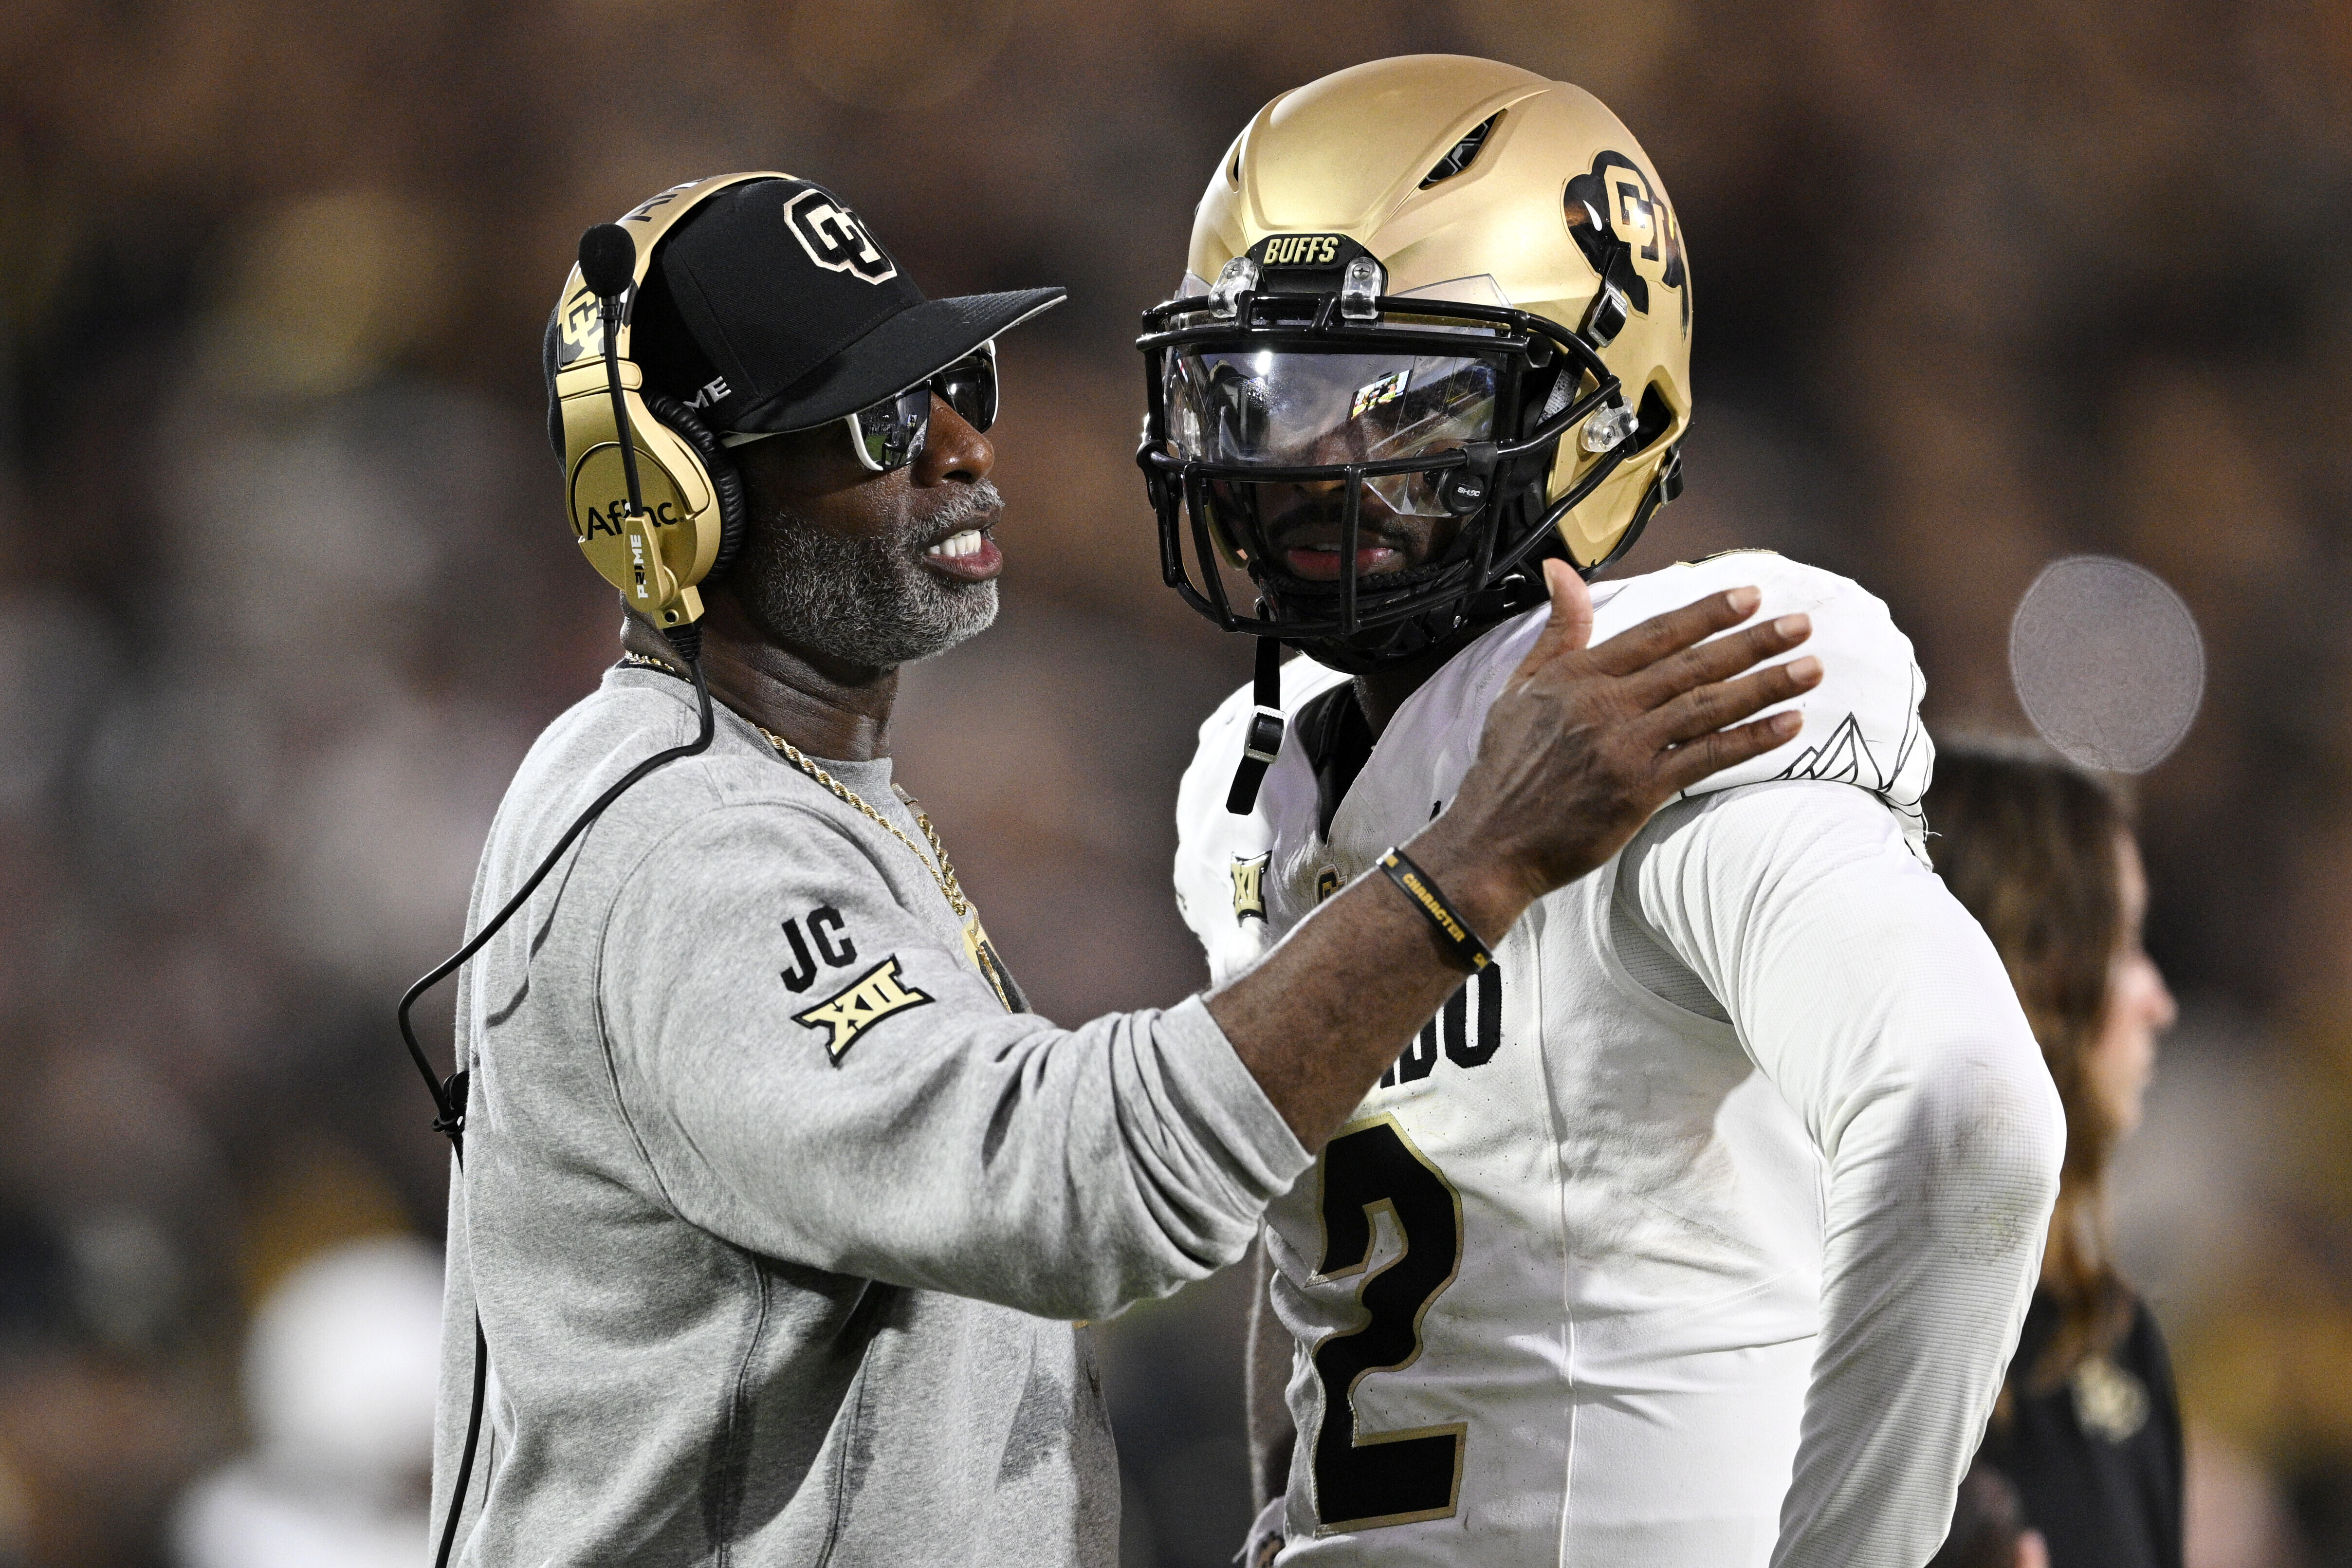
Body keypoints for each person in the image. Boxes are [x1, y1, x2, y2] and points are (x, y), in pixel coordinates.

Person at [426, 171, 1818, 1567]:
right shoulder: (693, 846)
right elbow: (1071, 1189)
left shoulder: (777, 785)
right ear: (670, 499)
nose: (963, 447)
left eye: (960, 381)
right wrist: (1474, 862)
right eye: (880, 419)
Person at [1143, 57, 2067, 1567]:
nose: (1304, 464)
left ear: (1597, 413)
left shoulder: (1682, 705)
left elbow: (1972, 1122)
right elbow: (1322, 1254)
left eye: (1390, 405)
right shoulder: (1249, 782)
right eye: (1260, 392)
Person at [1925, 739, 2185, 1568]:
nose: (2159, 1002)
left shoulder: (2116, 1338)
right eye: (2127, 940)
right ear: (2033, 971)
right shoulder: (1814, 1333)